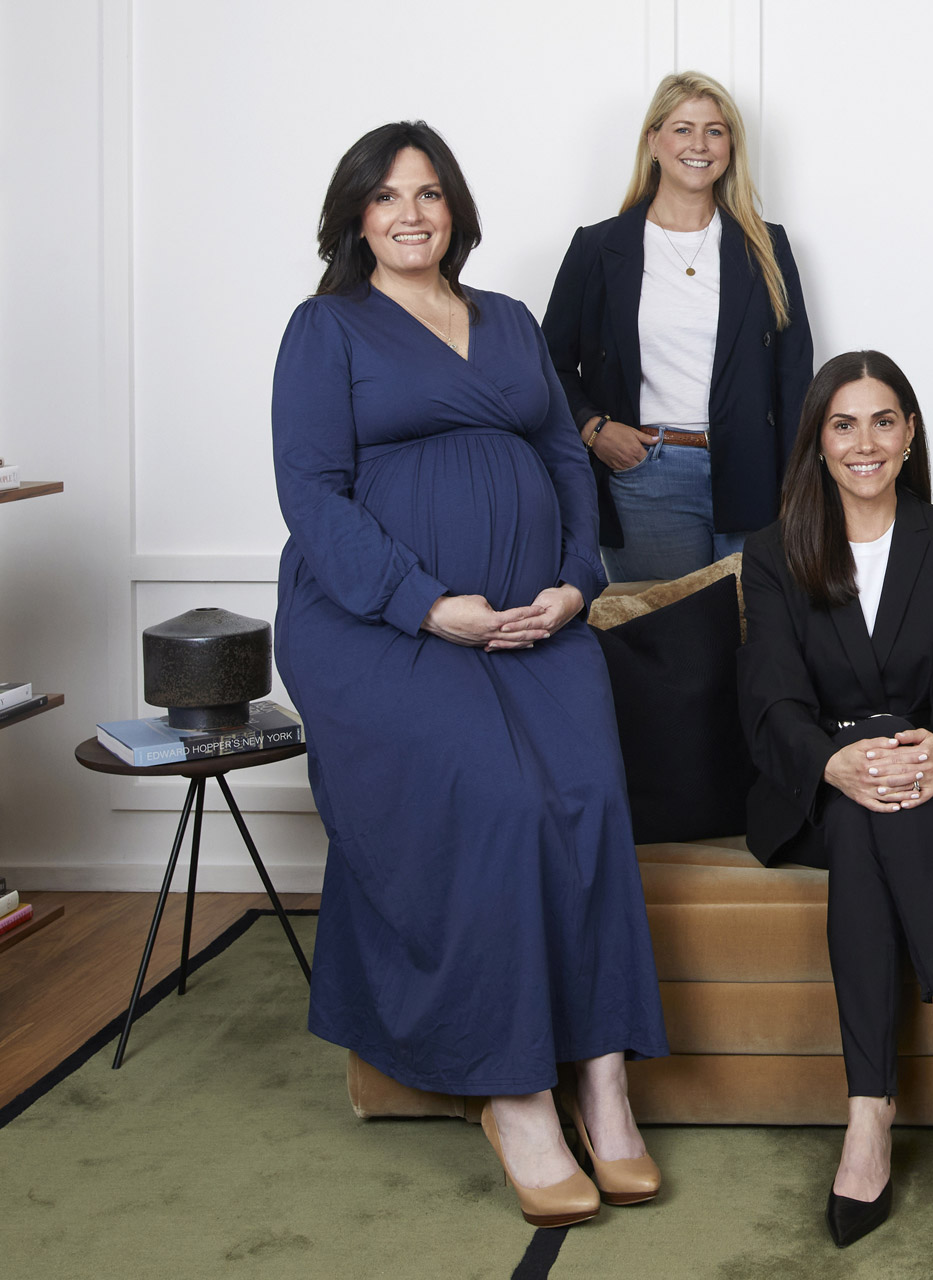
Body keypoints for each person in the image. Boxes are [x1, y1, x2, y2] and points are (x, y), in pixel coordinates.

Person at [273, 121, 669, 1229]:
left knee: (585, 795)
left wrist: (573, 579)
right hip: (379, 625)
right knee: (494, 799)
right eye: (389, 196)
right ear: (356, 215)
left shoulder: (506, 320)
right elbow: (311, 494)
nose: (412, 213)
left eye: (431, 194)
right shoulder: (326, 329)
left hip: (534, 620)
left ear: (457, 210)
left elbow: (559, 454)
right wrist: (422, 602)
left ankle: (600, 1069)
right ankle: (514, 1087)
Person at [737, 351, 933, 1248]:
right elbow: (772, 700)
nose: (866, 442)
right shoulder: (775, 550)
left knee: (887, 808)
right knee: (867, 803)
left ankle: (869, 1117)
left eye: (885, 421)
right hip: (814, 781)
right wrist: (834, 763)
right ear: (819, 444)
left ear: (909, 437)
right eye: (844, 423)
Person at [544, 71, 813, 583]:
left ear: (731, 146)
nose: (699, 144)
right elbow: (547, 360)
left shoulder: (767, 247)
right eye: (683, 129)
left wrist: (796, 482)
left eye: (715, 130)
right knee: (667, 644)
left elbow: (794, 376)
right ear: (653, 141)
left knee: (757, 639)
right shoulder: (599, 248)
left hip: (752, 473)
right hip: (648, 474)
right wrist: (594, 430)